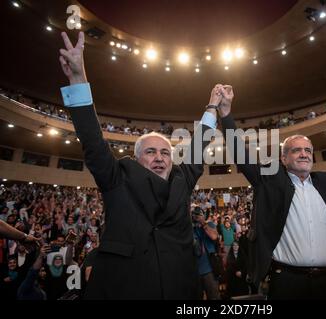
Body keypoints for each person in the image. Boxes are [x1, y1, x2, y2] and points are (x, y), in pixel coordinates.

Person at [57, 31, 220, 299]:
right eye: (151, 152)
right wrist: (78, 79)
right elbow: (92, 141)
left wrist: (212, 105)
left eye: (165, 152)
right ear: (137, 158)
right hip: (125, 289)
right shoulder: (117, 178)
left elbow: (199, 145)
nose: (160, 157)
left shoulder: (182, 179)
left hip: (179, 288)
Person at [216, 84, 326, 299]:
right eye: (296, 150)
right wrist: (225, 113)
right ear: (283, 158)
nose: (304, 154)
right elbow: (241, 156)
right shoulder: (271, 180)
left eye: (308, 150)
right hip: (288, 282)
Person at [192, 207, 221, 299]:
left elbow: (214, 236)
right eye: (194, 215)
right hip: (194, 270)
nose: (196, 217)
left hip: (209, 270)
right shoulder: (190, 228)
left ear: (203, 215)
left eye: (199, 215)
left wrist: (203, 222)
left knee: (214, 297)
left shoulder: (209, 224)